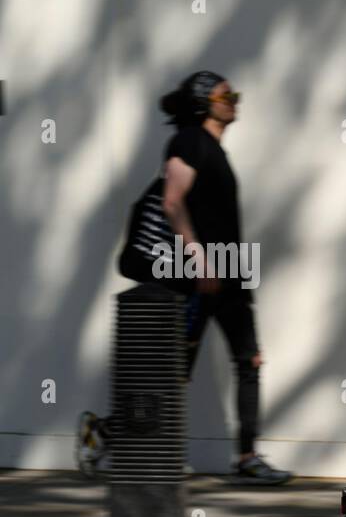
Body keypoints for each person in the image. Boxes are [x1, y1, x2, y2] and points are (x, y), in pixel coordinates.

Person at [84, 71, 291, 485]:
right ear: (202, 102)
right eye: (225, 95)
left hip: (230, 271)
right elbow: (172, 202)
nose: (235, 100)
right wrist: (199, 261)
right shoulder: (189, 142)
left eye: (236, 92)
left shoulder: (215, 149)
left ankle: (247, 456)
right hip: (197, 274)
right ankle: (107, 432)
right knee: (173, 371)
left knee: (250, 360)